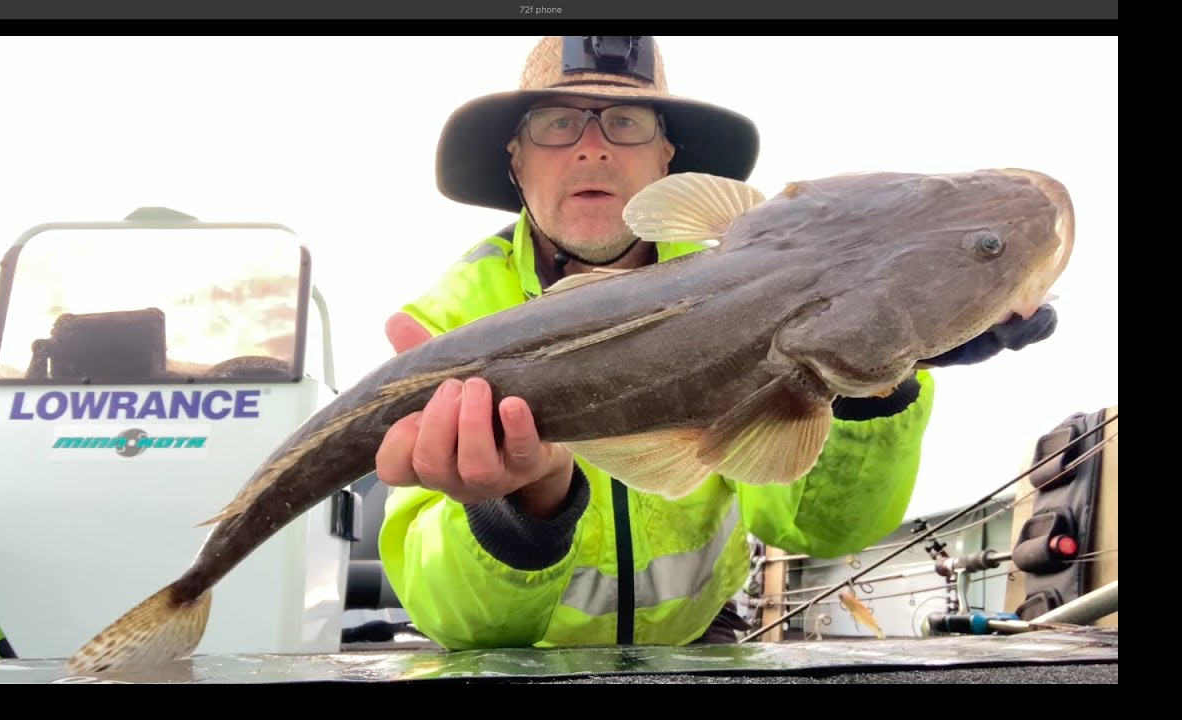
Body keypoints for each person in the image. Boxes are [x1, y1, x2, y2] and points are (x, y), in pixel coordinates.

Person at [374, 36, 1058, 650]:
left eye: (626, 122)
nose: (592, 145)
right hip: (520, 662)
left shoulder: (781, 262)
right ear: (515, 162)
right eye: (556, 123)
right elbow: (458, 623)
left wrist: (878, 388)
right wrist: (522, 512)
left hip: (704, 647)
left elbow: (819, 534)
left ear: (666, 155)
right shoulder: (447, 326)